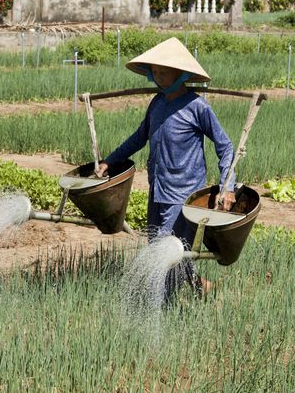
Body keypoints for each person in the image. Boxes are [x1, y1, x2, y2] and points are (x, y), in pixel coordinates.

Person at [96, 37, 236, 300]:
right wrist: (110, 160)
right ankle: (199, 286)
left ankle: (158, 305)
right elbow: (140, 137)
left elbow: (225, 146)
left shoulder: (198, 107)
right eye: (155, 72)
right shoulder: (157, 104)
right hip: (157, 189)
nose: (158, 77)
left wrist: (227, 186)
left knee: (163, 250)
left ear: (181, 74)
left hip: (184, 193)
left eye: (164, 72)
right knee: (165, 247)